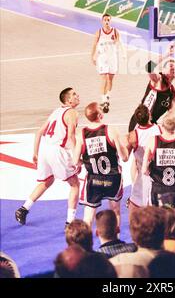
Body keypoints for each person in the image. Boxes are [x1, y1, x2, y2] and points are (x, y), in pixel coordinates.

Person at [15, 87, 80, 226]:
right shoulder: (72, 113)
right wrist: (76, 158)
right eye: (74, 94)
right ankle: (70, 222)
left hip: (45, 149)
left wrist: (35, 153)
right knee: (75, 184)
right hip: (57, 151)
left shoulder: (56, 111)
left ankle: (23, 209)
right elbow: (70, 138)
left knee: (47, 181)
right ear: (68, 100)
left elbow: (39, 132)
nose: (77, 95)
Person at [73, 102, 128, 228]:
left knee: (88, 217)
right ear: (100, 115)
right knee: (115, 212)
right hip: (113, 178)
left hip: (94, 180)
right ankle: (116, 241)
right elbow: (124, 158)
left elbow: (75, 161)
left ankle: (85, 245)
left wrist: (85, 162)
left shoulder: (82, 135)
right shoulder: (111, 130)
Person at [128, 44, 175, 132]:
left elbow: (171, 112)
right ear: (164, 71)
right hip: (139, 122)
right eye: (170, 66)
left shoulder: (172, 92)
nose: (173, 67)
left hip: (152, 124)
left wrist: (169, 122)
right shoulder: (157, 80)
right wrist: (167, 54)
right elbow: (148, 67)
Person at [126, 104, 161, 214]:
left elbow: (125, 157)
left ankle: (135, 228)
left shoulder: (133, 135)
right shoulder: (158, 130)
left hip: (143, 175)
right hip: (157, 175)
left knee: (134, 205)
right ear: (150, 115)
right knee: (156, 206)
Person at [91, 13, 122, 113]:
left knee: (110, 79)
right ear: (102, 21)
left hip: (112, 58)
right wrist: (92, 56)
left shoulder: (115, 32)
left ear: (110, 21)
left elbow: (119, 44)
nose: (107, 21)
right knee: (104, 78)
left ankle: (107, 97)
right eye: (105, 20)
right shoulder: (99, 32)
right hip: (103, 58)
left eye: (108, 20)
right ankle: (103, 100)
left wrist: (121, 53)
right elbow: (94, 45)